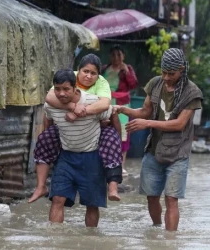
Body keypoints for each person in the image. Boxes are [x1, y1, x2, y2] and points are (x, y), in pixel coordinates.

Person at [113, 48, 203, 231]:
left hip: (178, 153)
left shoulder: (192, 92)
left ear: (181, 69)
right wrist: (123, 109)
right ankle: (156, 230)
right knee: (151, 197)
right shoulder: (155, 83)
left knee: (171, 198)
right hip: (153, 151)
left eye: (171, 73)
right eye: (164, 72)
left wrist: (147, 123)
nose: (167, 77)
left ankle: (170, 241)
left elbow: (179, 124)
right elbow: (145, 111)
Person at [29, 54, 123, 203]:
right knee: (45, 138)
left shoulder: (102, 83)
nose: (88, 76)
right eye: (85, 71)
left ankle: (113, 187)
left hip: (97, 122)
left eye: (93, 73)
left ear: (98, 76)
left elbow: (105, 105)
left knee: (112, 140)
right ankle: (40, 186)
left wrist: (80, 112)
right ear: (78, 71)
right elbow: (49, 98)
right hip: (68, 126)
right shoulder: (67, 78)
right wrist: (73, 107)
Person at [45, 69, 113, 227]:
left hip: (91, 158)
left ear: (75, 88)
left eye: (66, 89)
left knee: (92, 203)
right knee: (57, 199)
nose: (61, 94)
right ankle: (54, 238)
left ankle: (90, 239)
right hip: (66, 157)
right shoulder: (51, 105)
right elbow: (47, 120)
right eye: (57, 89)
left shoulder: (92, 101)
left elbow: (109, 114)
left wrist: (113, 155)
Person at [102, 44, 138, 176]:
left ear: (123, 56)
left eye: (119, 54)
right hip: (106, 103)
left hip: (122, 105)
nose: (116, 57)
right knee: (105, 129)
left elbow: (133, 84)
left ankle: (121, 165)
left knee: (123, 133)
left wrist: (127, 72)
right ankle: (106, 163)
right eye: (113, 55)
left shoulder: (127, 69)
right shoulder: (105, 68)